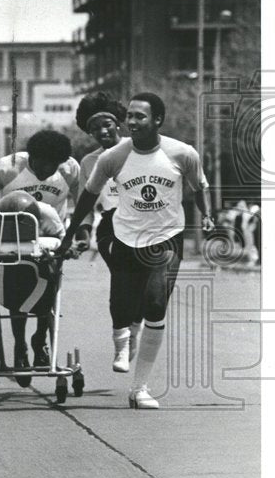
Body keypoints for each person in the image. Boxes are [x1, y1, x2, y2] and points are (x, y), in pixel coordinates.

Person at [59, 92, 214, 409]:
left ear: (157, 119)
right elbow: (86, 201)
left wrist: (208, 216)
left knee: (155, 301)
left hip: (165, 235)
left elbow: (201, 186)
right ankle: (123, 337)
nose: (130, 122)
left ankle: (140, 387)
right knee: (124, 301)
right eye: (129, 116)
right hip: (121, 233)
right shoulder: (106, 159)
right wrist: (72, 235)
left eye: (138, 116)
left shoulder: (181, 153)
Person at [0, 130, 80, 381]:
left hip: (50, 238)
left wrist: (78, 235)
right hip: (11, 241)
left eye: (53, 165)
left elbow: (82, 201)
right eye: (42, 164)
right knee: (17, 297)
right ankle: (20, 345)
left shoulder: (69, 169)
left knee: (46, 295)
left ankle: (39, 340)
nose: (48, 169)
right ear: (31, 157)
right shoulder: (7, 168)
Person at [72, 92, 143, 371]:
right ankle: (121, 346)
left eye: (106, 125)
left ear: (118, 124)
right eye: (94, 129)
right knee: (123, 279)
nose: (102, 132)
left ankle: (134, 327)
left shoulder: (138, 148)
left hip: (145, 223)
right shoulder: (89, 162)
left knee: (147, 289)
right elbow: (85, 204)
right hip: (111, 227)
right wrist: (83, 233)